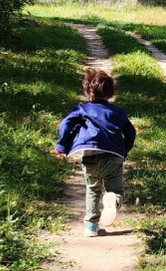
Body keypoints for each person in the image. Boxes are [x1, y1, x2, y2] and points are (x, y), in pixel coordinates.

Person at [51, 67, 136, 237]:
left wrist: (62, 146)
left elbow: (66, 124)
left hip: (90, 155)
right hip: (113, 157)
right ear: (110, 94)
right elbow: (131, 132)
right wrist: (124, 151)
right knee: (116, 191)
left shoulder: (82, 110)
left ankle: (91, 226)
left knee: (93, 189)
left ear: (87, 92)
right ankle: (113, 200)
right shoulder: (118, 112)